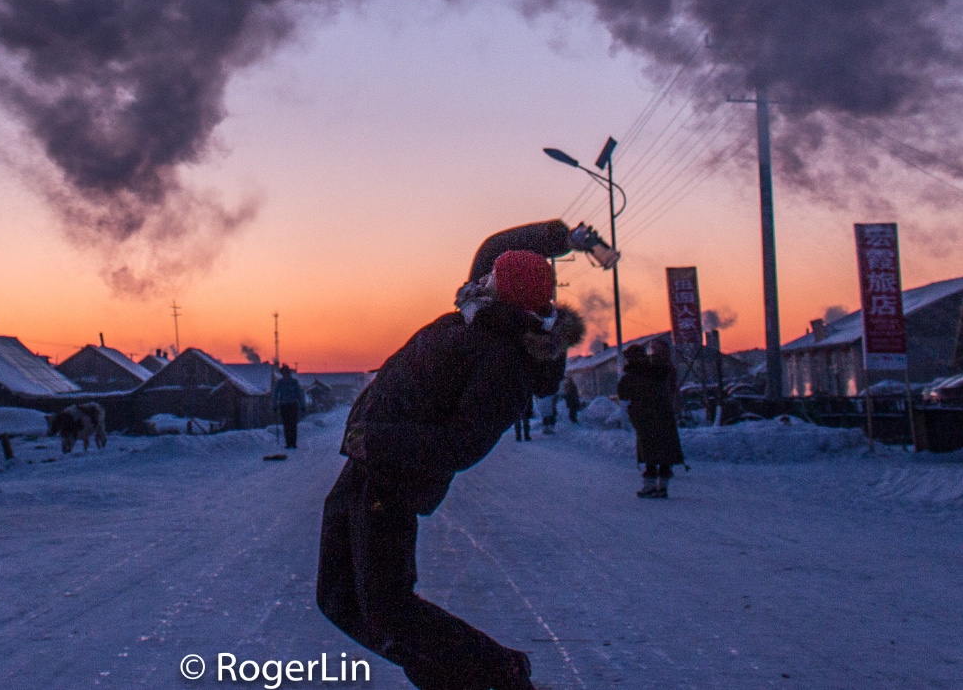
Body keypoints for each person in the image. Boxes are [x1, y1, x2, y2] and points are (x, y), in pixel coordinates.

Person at [318, 238, 586, 690]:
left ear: (506, 291)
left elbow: (461, 445)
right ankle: (466, 678)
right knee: (338, 599)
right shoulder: (478, 322)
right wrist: (558, 235)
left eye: (493, 276)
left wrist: (377, 442)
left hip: (391, 479)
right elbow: (494, 247)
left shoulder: (504, 360)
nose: (481, 277)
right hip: (365, 468)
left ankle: (500, 675)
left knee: (387, 612)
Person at [616, 339, 684, 498]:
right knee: (665, 450)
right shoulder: (659, 370)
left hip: (644, 417)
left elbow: (623, 394)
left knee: (650, 452)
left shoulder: (631, 375)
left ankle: (650, 486)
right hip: (664, 415)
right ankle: (663, 487)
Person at [274, 364, 306, 450]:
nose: (285, 374)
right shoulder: (280, 383)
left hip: (292, 405)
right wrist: (274, 405)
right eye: (283, 373)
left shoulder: (293, 382)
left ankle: (292, 442)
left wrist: (302, 405)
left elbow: (299, 394)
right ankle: (289, 442)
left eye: (285, 372)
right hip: (285, 405)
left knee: (292, 424)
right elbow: (275, 394)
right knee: (287, 424)